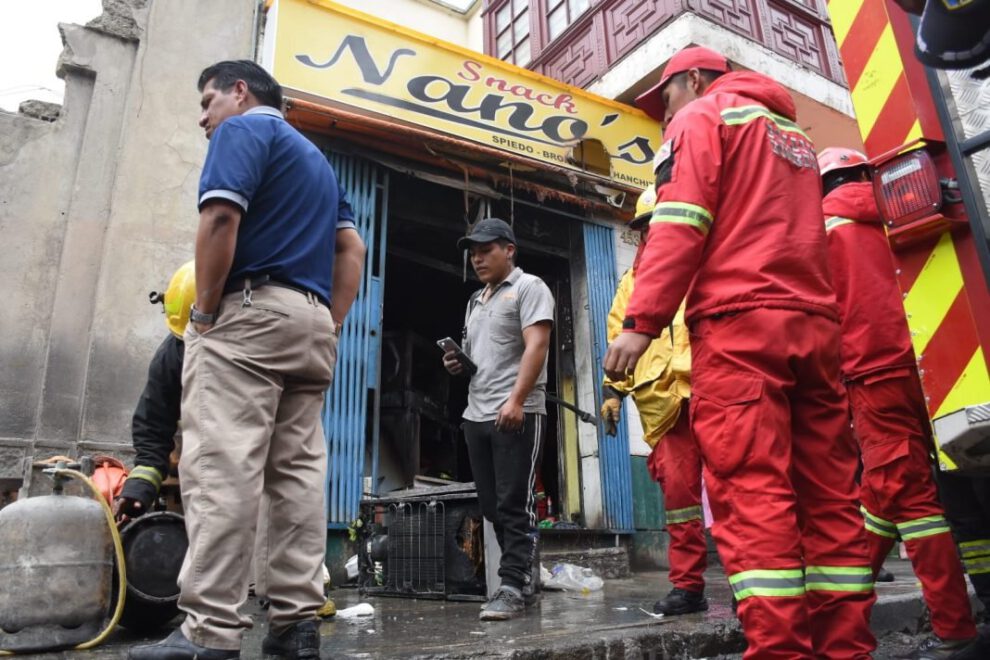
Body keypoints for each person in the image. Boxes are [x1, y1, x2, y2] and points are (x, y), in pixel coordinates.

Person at [604, 46, 876, 658]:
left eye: (667, 94)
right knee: (831, 496)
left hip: (740, 329)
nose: (666, 109)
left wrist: (641, 323)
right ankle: (848, 648)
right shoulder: (795, 140)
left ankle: (780, 649)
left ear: (694, 79)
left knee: (754, 495)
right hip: (811, 325)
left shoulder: (702, 118)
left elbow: (680, 221)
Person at [130, 60, 366, 660]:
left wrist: (206, 314)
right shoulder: (315, 159)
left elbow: (220, 217)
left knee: (223, 468)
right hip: (311, 323)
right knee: (295, 478)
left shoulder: (244, 131)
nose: (203, 117)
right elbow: (351, 248)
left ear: (240, 92)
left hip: (249, 314)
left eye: (208, 101)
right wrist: (329, 322)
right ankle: (294, 625)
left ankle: (209, 633)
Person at [818, 147, 979, 659]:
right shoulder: (903, 203)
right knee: (886, 491)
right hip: (941, 361)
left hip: (873, 371)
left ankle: (955, 628)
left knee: (906, 497)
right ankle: (838, 607)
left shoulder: (822, 225)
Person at [443, 217, 554, 622]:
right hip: (477, 413)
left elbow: (537, 345)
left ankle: (511, 586)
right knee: (491, 506)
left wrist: (517, 400)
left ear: (509, 249)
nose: (477, 258)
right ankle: (524, 580)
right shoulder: (476, 301)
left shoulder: (530, 288)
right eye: (472, 252)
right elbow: (479, 361)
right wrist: (457, 363)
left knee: (514, 504)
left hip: (515, 412)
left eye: (485, 249)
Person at [600, 188, 705, 616]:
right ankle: (689, 588)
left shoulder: (705, 261)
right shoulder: (630, 284)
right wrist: (611, 391)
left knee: (737, 493)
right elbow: (617, 339)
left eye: (656, 225)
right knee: (680, 504)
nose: (651, 235)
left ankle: (751, 581)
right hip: (662, 406)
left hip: (713, 390)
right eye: (645, 229)